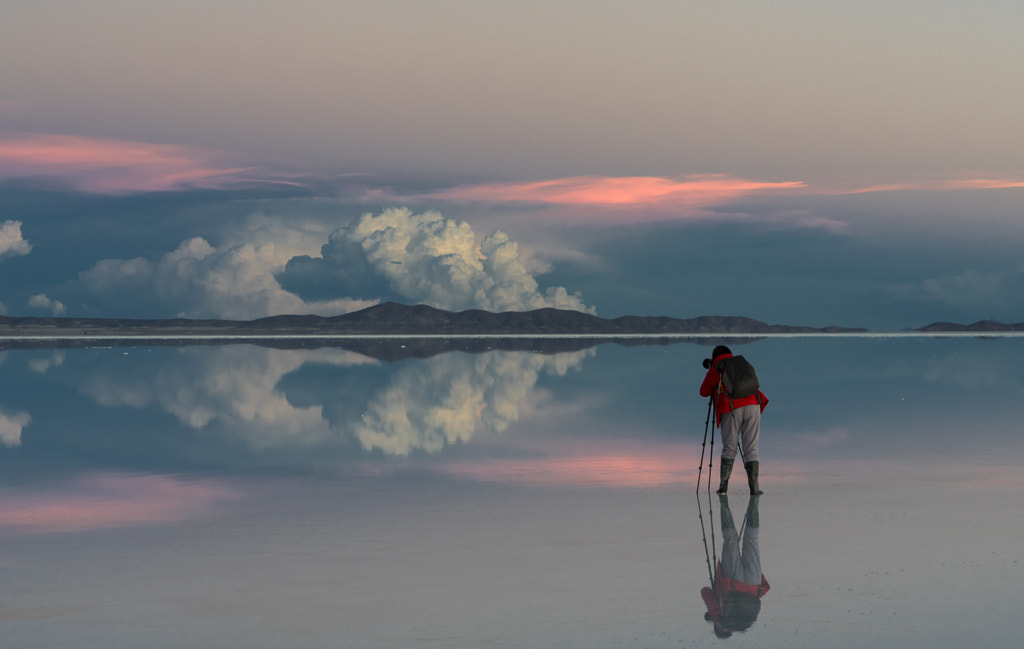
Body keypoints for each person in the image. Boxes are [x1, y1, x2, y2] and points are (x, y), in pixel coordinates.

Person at [700, 345, 768, 495]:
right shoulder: (741, 363)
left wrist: (712, 372)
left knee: (730, 448)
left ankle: (723, 488)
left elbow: (703, 392)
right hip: (754, 404)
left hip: (732, 408)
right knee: (751, 447)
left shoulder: (717, 367)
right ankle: (755, 488)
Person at [701, 495, 769, 637]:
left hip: (754, 584)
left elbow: (755, 600)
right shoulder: (720, 618)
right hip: (731, 582)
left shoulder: (743, 622)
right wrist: (712, 616)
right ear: (717, 628)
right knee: (730, 539)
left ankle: (754, 499)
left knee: (752, 539)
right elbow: (705, 592)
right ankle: (723, 500)